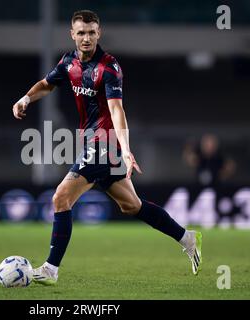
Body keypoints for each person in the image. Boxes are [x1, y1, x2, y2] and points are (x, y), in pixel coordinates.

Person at [12, 10, 202, 285]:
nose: (86, 38)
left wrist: (125, 148)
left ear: (98, 33)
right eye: (81, 33)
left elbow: (116, 109)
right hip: (93, 143)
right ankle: (187, 238)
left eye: (91, 32)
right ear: (72, 34)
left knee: (60, 198)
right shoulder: (68, 63)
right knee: (131, 206)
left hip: (105, 144)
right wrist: (25, 99)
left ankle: (51, 269)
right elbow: (46, 85)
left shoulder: (109, 67)